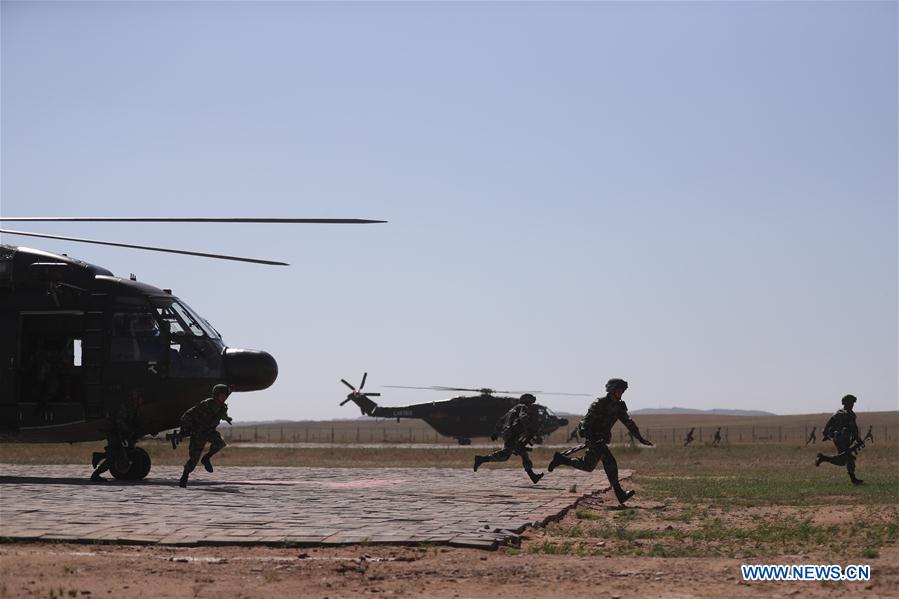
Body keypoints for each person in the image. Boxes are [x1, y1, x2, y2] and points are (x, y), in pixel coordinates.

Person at [547, 379, 652, 504]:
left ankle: (561, 459)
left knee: (588, 466)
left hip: (601, 439)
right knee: (610, 462)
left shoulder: (619, 406)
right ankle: (620, 494)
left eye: (623, 391)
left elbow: (628, 422)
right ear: (612, 390)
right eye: (620, 390)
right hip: (594, 438)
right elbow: (586, 421)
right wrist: (588, 436)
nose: (622, 393)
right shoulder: (599, 403)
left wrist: (640, 438)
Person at [473, 394, 545, 484]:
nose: (531, 405)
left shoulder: (512, 409)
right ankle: (481, 459)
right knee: (505, 455)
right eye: (531, 402)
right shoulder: (523, 407)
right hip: (513, 434)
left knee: (523, 453)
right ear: (528, 401)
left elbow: (501, 420)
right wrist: (529, 428)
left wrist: (495, 433)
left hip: (508, 433)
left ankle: (533, 476)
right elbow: (523, 417)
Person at [178, 384, 233, 488]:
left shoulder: (223, 407)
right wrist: (185, 429)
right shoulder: (206, 404)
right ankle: (185, 476)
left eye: (225, 396)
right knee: (193, 460)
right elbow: (188, 415)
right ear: (216, 395)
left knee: (220, 443)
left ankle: (206, 458)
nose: (223, 398)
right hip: (198, 433)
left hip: (210, 432)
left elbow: (222, 415)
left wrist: (227, 418)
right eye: (222, 395)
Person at [91, 389, 143, 482]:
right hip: (115, 432)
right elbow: (118, 420)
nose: (138, 399)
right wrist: (125, 431)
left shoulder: (133, 406)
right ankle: (95, 475)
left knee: (120, 452)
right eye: (135, 396)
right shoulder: (125, 407)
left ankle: (99, 457)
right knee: (113, 456)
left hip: (120, 432)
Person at [815, 395, 864, 485]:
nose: (853, 405)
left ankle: (823, 458)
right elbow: (854, 429)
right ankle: (853, 479)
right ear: (847, 403)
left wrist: (826, 435)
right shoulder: (850, 414)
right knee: (848, 458)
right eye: (851, 403)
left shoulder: (837, 413)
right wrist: (858, 439)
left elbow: (827, 425)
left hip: (838, 438)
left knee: (843, 460)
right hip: (843, 439)